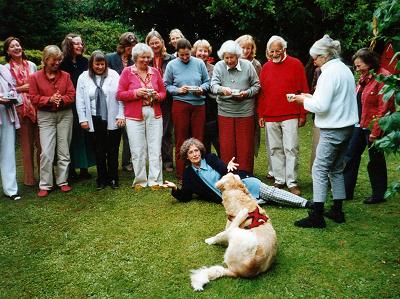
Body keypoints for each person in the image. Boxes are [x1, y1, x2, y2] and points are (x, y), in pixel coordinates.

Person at [292, 35, 358, 228]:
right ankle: (337, 210)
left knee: (319, 169)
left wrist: (302, 100)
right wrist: (309, 96)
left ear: (327, 55)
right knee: (336, 168)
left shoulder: (328, 73)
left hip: (333, 127)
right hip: (347, 126)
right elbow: (331, 98)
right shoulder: (345, 69)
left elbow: (320, 106)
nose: (314, 61)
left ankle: (317, 215)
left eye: (316, 57)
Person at [163, 138, 311, 208]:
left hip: (241, 183)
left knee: (270, 192)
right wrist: (174, 188)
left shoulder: (210, 158)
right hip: (231, 199)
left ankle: (306, 203)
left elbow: (225, 170)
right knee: (259, 203)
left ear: (200, 151)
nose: (195, 154)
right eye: (191, 152)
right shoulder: (189, 175)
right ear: (186, 156)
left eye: (196, 150)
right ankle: (275, 200)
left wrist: (229, 166)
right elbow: (186, 196)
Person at [257, 35, 309, 196]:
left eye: (277, 51)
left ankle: (292, 181)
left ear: (284, 50)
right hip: (271, 114)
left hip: (291, 113)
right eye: (271, 51)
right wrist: (261, 114)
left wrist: (302, 113)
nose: (274, 54)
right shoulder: (265, 67)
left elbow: (303, 90)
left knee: (291, 148)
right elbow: (262, 94)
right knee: (274, 148)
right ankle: (279, 180)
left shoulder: (296, 64)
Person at [343, 48, 395, 204]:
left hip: (373, 125)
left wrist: (376, 131)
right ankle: (345, 191)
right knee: (351, 155)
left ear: (370, 62)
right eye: (356, 67)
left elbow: (384, 107)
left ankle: (378, 194)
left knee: (375, 160)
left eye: (360, 66)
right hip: (359, 123)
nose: (357, 69)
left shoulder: (383, 78)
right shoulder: (365, 77)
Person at [117, 43, 166, 189]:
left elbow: (163, 92)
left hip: (154, 112)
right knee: (137, 149)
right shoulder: (127, 72)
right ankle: (140, 180)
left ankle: (155, 180)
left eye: (147, 57)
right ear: (135, 58)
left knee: (155, 147)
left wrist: (158, 96)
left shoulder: (155, 72)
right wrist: (135, 93)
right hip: (133, 115)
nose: (145, 60)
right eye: (142, 58)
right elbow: (119, 94)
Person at [29, 45, 75, 197]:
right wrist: (49, 99)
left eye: (59, 60)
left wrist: (61, 99)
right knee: (47, 152)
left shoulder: (66, 76)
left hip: (65, 115)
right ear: (45, 60)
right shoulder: (35, 77)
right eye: (53, 60)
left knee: (64, 150)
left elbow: (71, 95)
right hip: (45, 116)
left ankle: (63, 181)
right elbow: (34, 98)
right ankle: (46, 184)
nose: (57, 63)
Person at [76, 51, 125, 190]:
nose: (100, 67)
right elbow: (79, 100)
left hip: (113, 117)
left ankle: (113, 178)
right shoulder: (83, 77)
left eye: (102, 64)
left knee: (113, 149)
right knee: (99, 150)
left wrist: (121, 115)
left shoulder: (114, 75)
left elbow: (120, 96)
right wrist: (83, 119)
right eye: (97, 64)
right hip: (94, 118)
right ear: (91, 64)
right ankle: (102, 178)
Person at [210, 40, 260, 174]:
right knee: (227, 146)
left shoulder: (248, 66)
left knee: (245, 146)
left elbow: (256, 86)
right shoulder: (219, 66)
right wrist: (222, 90)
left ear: (238, 56)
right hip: (225, 111)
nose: (229, 60)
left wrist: (246, 93)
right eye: (226, 57)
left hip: (245, 111)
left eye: (231, 57)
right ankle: (229, 174)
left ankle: (245, 174)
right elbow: (213, 86)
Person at [164, 38, 210, 180]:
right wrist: (178, 90)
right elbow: (166, 85)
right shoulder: (172, 65)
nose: (184, 57)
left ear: (191, 51)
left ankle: (200, 172)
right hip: (180, 104)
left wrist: (201, 89)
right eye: (181, 55)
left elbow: (207, 82)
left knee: (198, 139)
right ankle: (182, 173)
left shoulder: (199, 63)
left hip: (198, 105)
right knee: (181, 139)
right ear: (177, 53)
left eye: (187, 54)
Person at [4, 36, 40, 186]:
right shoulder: (5, 69)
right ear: (7, 51)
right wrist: (21, 88)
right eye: (13, 46)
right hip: (19, 108)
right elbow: (7, 90)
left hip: (36, 107)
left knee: (41, 144)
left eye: (18, 45)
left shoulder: (31, 65)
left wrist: (26, 88)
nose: (17, 48)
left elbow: (36, 84)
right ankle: (29, 179)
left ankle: (45, 176)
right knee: (26, 146)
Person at [60, 33, 95, 180]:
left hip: (84, 103)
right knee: (71, 137)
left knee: (85, 134)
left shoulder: (85, 62)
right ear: (69, 46)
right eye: (76, 44)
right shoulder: (62, 64)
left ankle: (84, 167)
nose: (80, 46)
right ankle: (71, 169)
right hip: (68, 105)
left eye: (81, 43)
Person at [106, 32, 138, 172]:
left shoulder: (134, 61)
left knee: (128, 133)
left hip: (128, 99)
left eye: (134, 46)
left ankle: (126, 162)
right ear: (123, 46)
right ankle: (110, 161)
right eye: (129, 46)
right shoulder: (110, 58)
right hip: (111, 100)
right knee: (112, 133)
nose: (131, 49)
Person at [145, 29, 175, 172]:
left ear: (162, 43)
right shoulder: (145, 59)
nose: (155, 46)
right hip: (150, 99)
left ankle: (168, 161)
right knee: (151, 131)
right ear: (147, 44)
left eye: (157, 42)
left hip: (167, 99)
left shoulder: (171, 59)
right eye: (152, 43)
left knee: (166, 131)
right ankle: (155, 160)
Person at [192, 39, 220, 156]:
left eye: (205, 51)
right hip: (194, 105)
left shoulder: (214, 69)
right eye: (200, 50)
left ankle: (223, 164)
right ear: (195, 51)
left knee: (215, 137)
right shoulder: (190, 66)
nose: (202, 53)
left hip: (210, 107)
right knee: (201, 138)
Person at [0, 65, 21, 200]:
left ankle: (11, 190)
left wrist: (12, 96)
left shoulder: (3, 69)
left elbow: (12, 88)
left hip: (6, 113)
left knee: (8, 152)